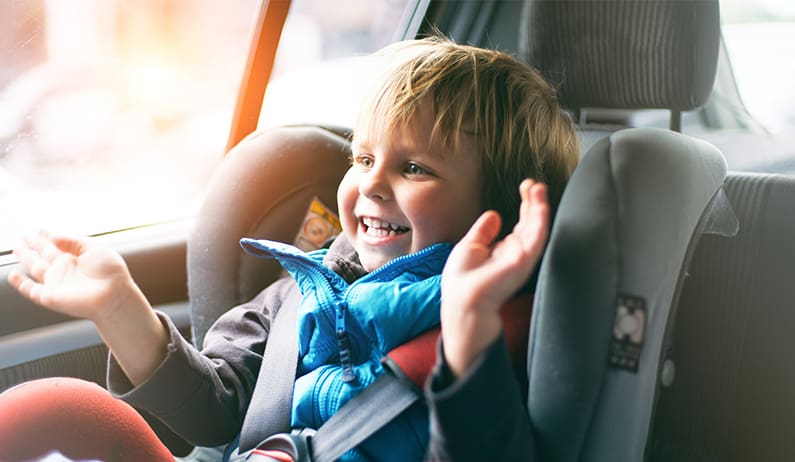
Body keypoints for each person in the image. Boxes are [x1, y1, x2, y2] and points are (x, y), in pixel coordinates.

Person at [3, 36, 579, 461]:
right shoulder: (297, 293)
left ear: (497, 211)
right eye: (363, 158)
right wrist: (119, 308)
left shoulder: (505, 327)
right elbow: (213, 413)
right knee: (51, 405)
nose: (372, 184)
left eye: (413, 168)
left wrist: (468, 336)